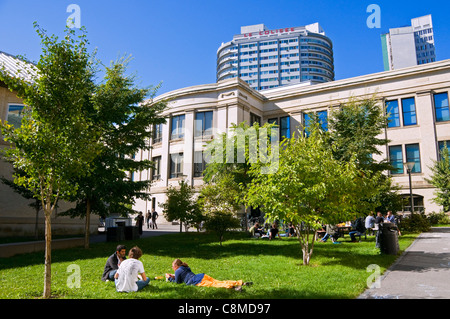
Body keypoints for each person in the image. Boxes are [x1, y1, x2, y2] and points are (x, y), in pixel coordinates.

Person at [165, 259, 252, 291]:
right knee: (218, 281)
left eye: (172, 266)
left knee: (216, 285)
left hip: (196, 281)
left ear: (176, 266)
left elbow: (178, 282)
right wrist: (174, 275)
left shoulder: (177, 271)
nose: (172, 268)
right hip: (201, 276)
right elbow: (184, 275)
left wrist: (169, 278)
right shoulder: (185, 267)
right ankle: (241, 283)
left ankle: (235, 288)